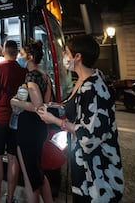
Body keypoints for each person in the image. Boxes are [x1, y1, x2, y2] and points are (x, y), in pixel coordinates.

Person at [37, 34, 124, 203]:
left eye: (67, 53)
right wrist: (51, 107)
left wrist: (56, 121)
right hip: (83, 166)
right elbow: (74, 107)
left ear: (78, 57)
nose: (64, 57)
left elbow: (90, 135)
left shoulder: (94, 87)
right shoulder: (83, 81)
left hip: (98, 175)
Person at [10, 41, 53, 203]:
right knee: (38, 173)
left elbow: (38, 106)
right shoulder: (44, 76)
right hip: (40, 128)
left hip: (28, 129)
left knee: (30, 177)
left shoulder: (31, 77)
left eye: (21, 54)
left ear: (30, 57)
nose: (19, 57)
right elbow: (47, 105)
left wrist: (15, 102)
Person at [0, 40, 27, 203]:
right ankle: (10, 198)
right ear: (16, 53)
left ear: (4, 51)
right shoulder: (23, 70)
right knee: (12, 158)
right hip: (17, 119)